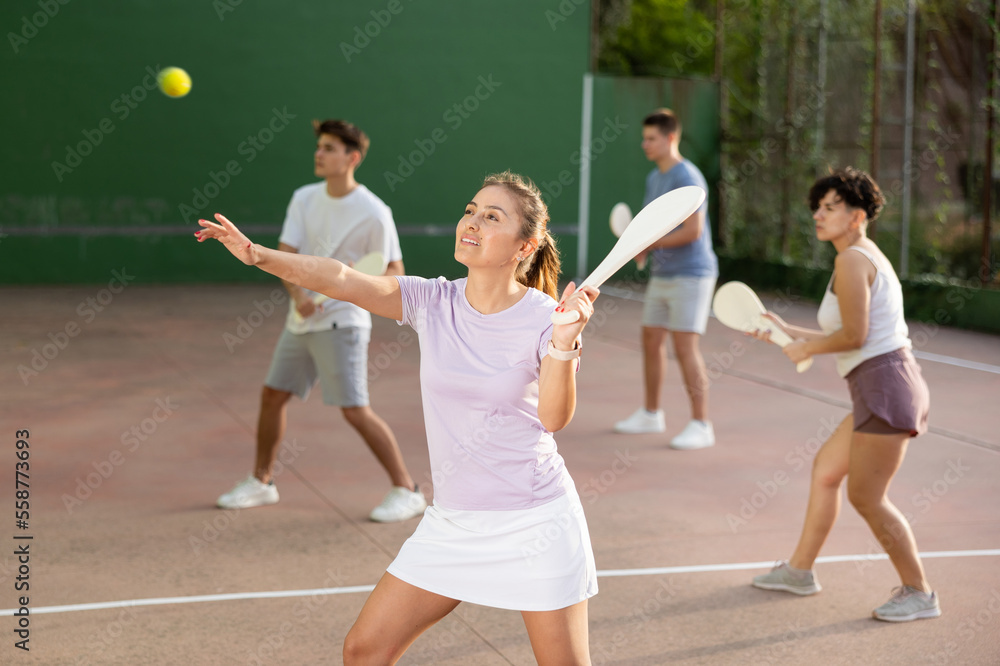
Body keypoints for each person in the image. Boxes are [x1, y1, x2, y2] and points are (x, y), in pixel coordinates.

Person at [196, 171, 601, 663]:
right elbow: (343, 278)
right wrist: (260, 256)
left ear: (525, 245)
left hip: (535, 521)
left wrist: (562, 343)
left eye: (492, 217)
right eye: (470, 210)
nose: (471, 222)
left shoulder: (547, 318)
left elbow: (555, 418)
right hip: (453, 523)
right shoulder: (435, 301)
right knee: (364, 651)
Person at [749, 167, 939, 623]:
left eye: (830, 207)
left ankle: (919, 592)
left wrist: (806, 346)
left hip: (886, 387)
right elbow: (847, 331)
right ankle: (799, 572)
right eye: (817, 206)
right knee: (826, 471)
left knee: (867, 496)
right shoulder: (858, 257)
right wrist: (786, 330)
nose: (818, 214)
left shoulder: (853, 260)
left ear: (856, 216)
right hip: (878, 385)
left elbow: (854, 336)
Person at [215, 119, 427, 523]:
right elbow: (285, 252)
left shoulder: (374, 213)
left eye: (329, 147)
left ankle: (408, 489)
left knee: (354, 409)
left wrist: (352, 281)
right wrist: (300, 297)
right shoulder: (304, 198)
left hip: (344, 322)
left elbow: (394, 269)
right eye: (319, 146)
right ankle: (262, 482)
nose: (319, 153)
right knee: (273, 394)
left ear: (352, 158)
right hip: (301, 319)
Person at [614, 109, 719, 450]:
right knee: (650, 339)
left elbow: (692, 231)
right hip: (664, 273)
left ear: (671, 138)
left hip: (693, 273)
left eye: (651, 138)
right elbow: (654, 228)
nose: (644, 144)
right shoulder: (654, 178)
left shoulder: (688, 176)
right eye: (643, 138)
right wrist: (643, 248)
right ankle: (651, 414)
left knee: (685, 347)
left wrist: (648, 243)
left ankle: (701, 424)